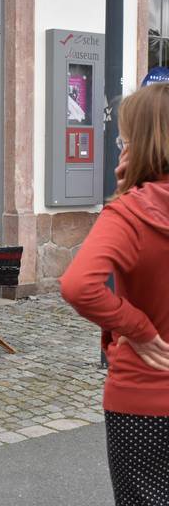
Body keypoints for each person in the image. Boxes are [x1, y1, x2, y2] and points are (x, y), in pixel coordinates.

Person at [61, 82, 169, 505]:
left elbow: (78, 285)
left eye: (125, 137)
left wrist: (138, 327)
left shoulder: (131, 212)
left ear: (140, 143)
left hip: (145, 396)